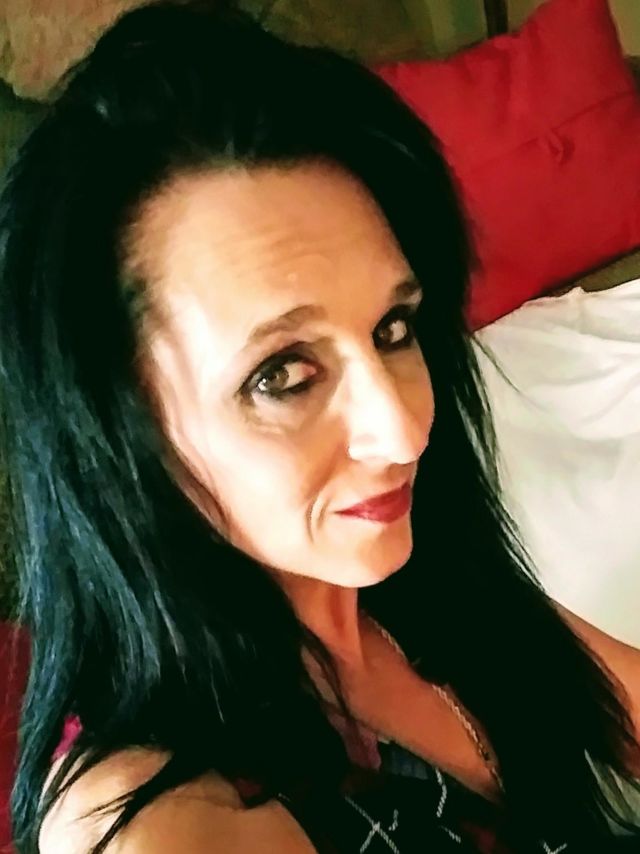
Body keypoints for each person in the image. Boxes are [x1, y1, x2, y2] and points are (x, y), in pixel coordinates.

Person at [1, 3, 639, 852]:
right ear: (116, 430)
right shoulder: (164, 815)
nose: (404, 433)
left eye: (393, 329)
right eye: (282, 376)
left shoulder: (415, 578)